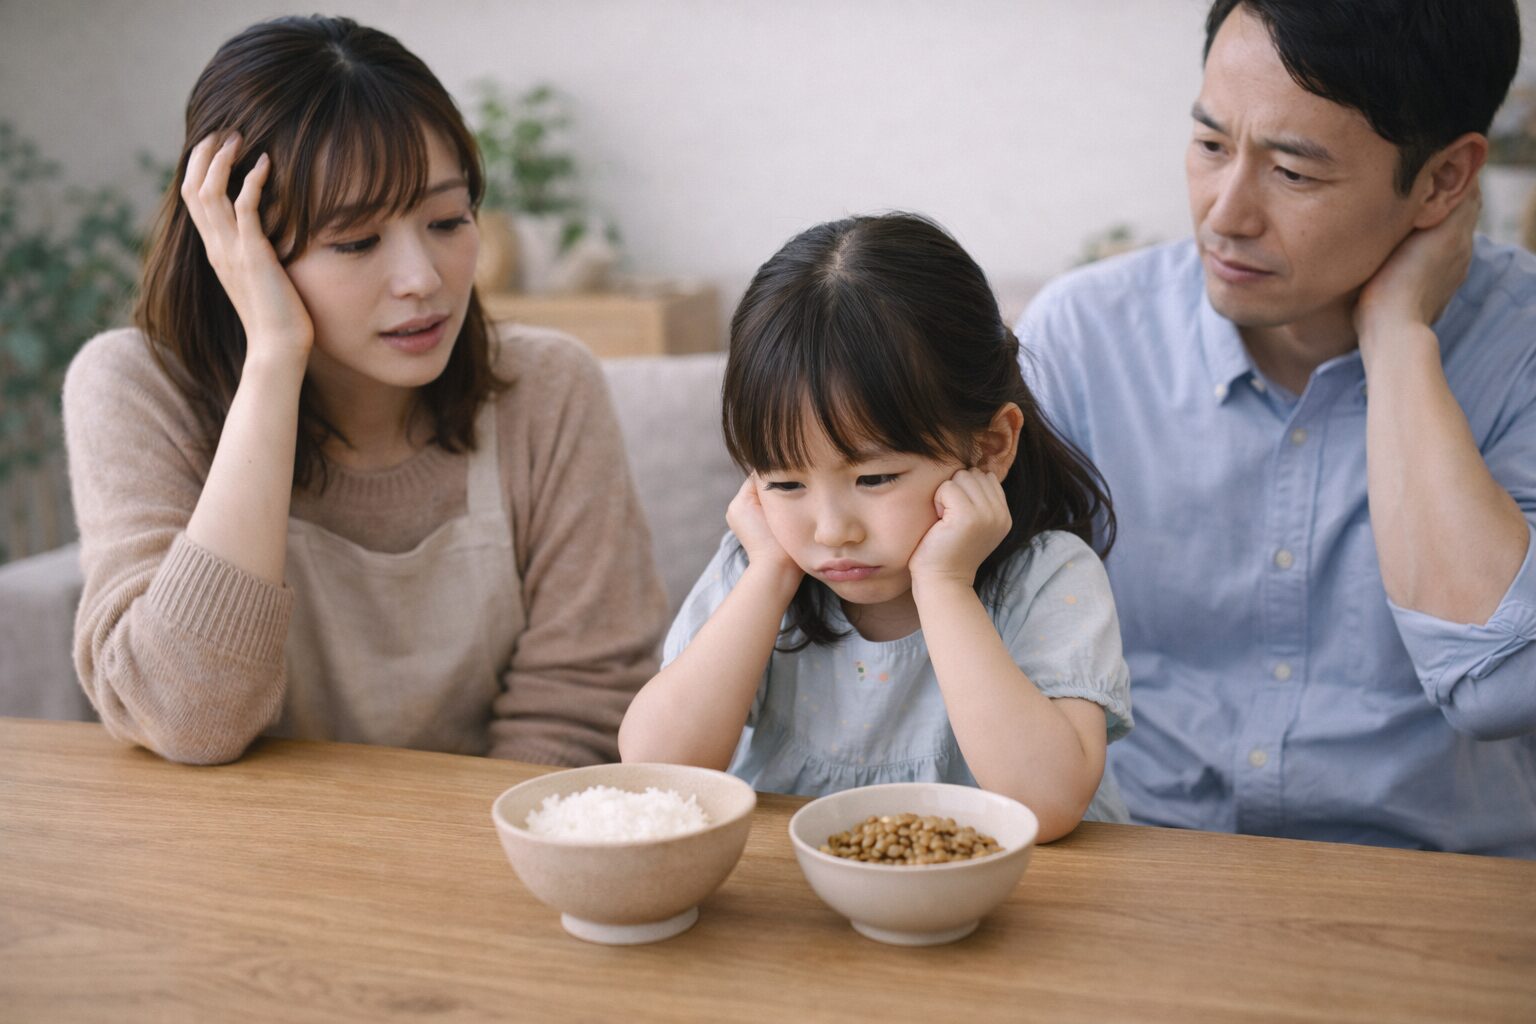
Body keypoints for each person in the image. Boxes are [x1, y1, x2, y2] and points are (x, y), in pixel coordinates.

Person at [63, 16, 666, 766]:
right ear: (236, 247)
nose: (424, 279)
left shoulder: (548, 390)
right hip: (223, 865)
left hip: (489, 851)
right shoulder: (133, 387)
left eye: (448, 220)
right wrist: (274, 359)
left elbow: (582, 709)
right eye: (355, 241)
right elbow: (185, 716)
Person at [1019, 0, 1536, 855]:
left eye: (1293, 172)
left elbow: (1500, 686)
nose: (1226, 214)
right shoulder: (1085, 338)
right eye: (1212, 145)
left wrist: (1401, 339)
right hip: (1132, 866)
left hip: (1433, 894)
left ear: (1444, 181)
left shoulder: (1520, 346)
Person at [620, 213, 1132, 842]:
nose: (832, 531)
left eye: (875, 479)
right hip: (801, 912)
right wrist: (768, 576)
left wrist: (945, 583)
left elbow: (1046, 804)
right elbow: (656, 772)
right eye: (784, 484)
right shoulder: (760, 567)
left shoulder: (1048, 577)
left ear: (991, 446)